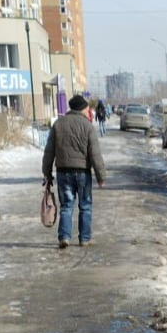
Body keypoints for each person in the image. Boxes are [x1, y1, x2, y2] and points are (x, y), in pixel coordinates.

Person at [42, 94, 106, 249]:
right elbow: (95, 153)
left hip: (63, 172)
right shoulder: (88, 126)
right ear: (82, 109)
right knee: (85, 206)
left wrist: (47, 173)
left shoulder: (58, 124)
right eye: (86, 108)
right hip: (83, 173)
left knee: (66, 206)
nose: (87, 111)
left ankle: (64, 237)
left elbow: (49, 151)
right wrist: (100, 176)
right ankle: (84, 239)